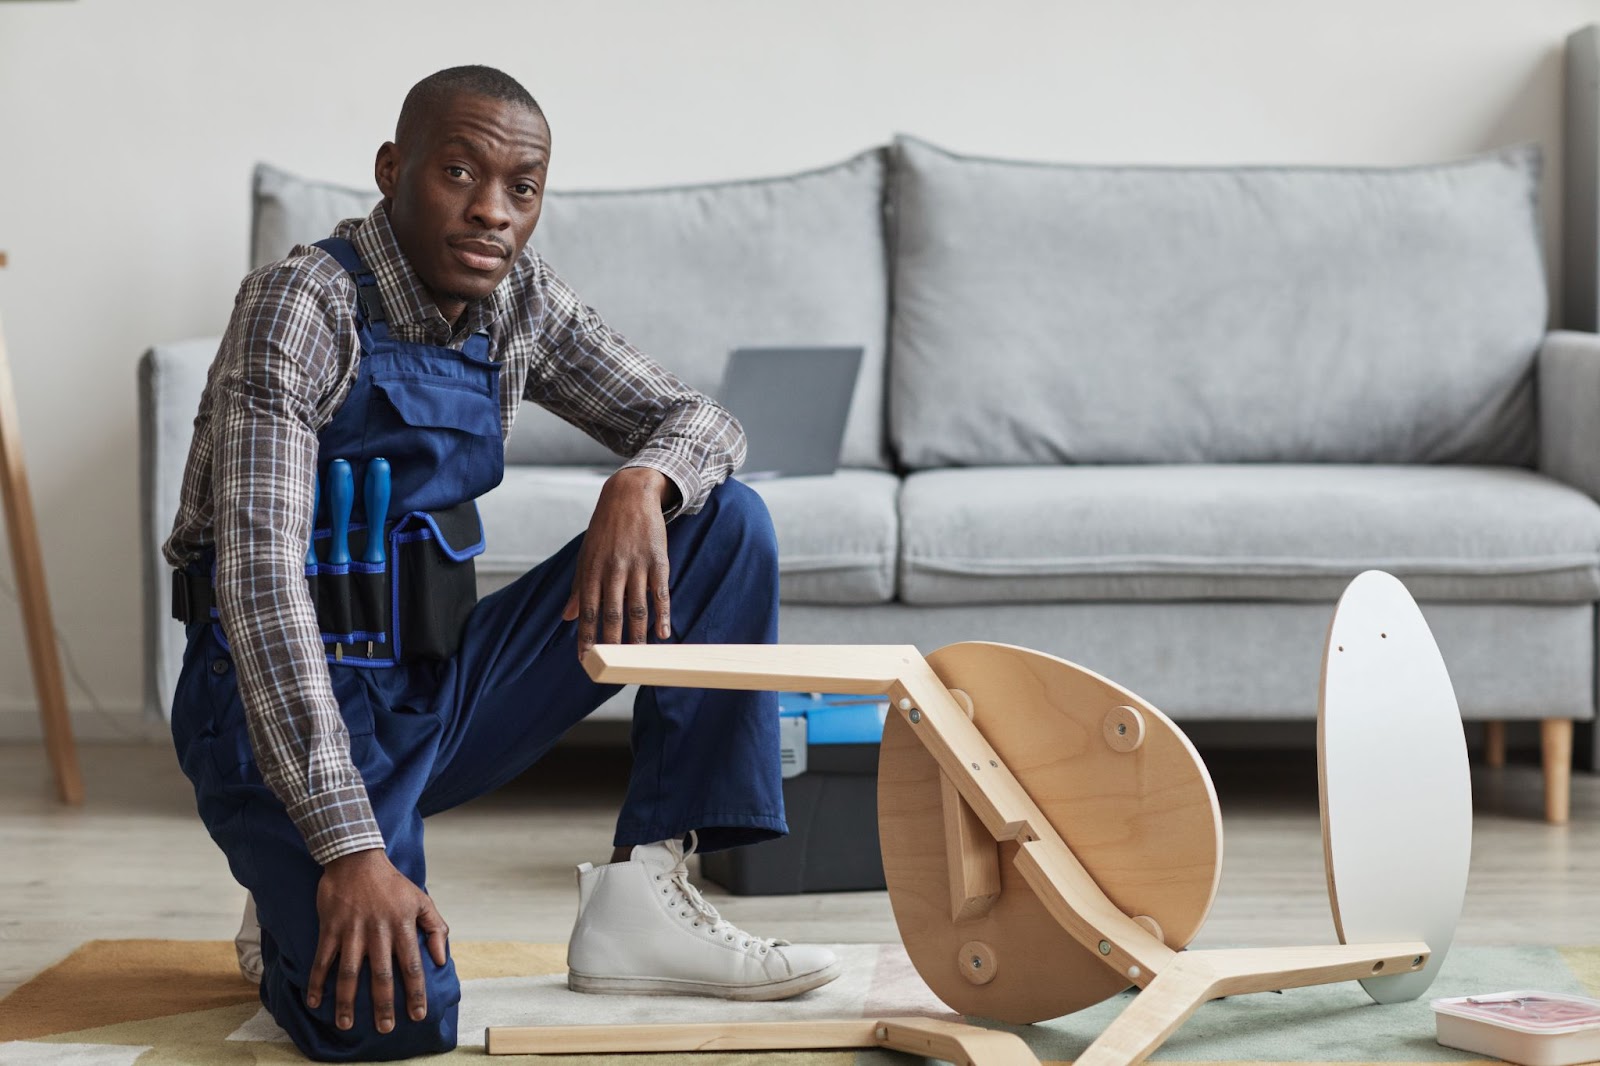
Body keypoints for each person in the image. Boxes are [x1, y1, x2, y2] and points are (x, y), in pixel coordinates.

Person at [163, 64, 838, 1062]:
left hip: (435, 685)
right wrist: (347, 845)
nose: (491, 212)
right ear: (393, 170)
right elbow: (260, 590)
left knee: (724, 521)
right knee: (392, 1021)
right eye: (458, 172)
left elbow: (701, 419)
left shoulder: (517, 300)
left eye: (521, 189)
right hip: (280, 703)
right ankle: (290, 889)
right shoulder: (299, 304)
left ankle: (643, 893)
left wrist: (641, 480)